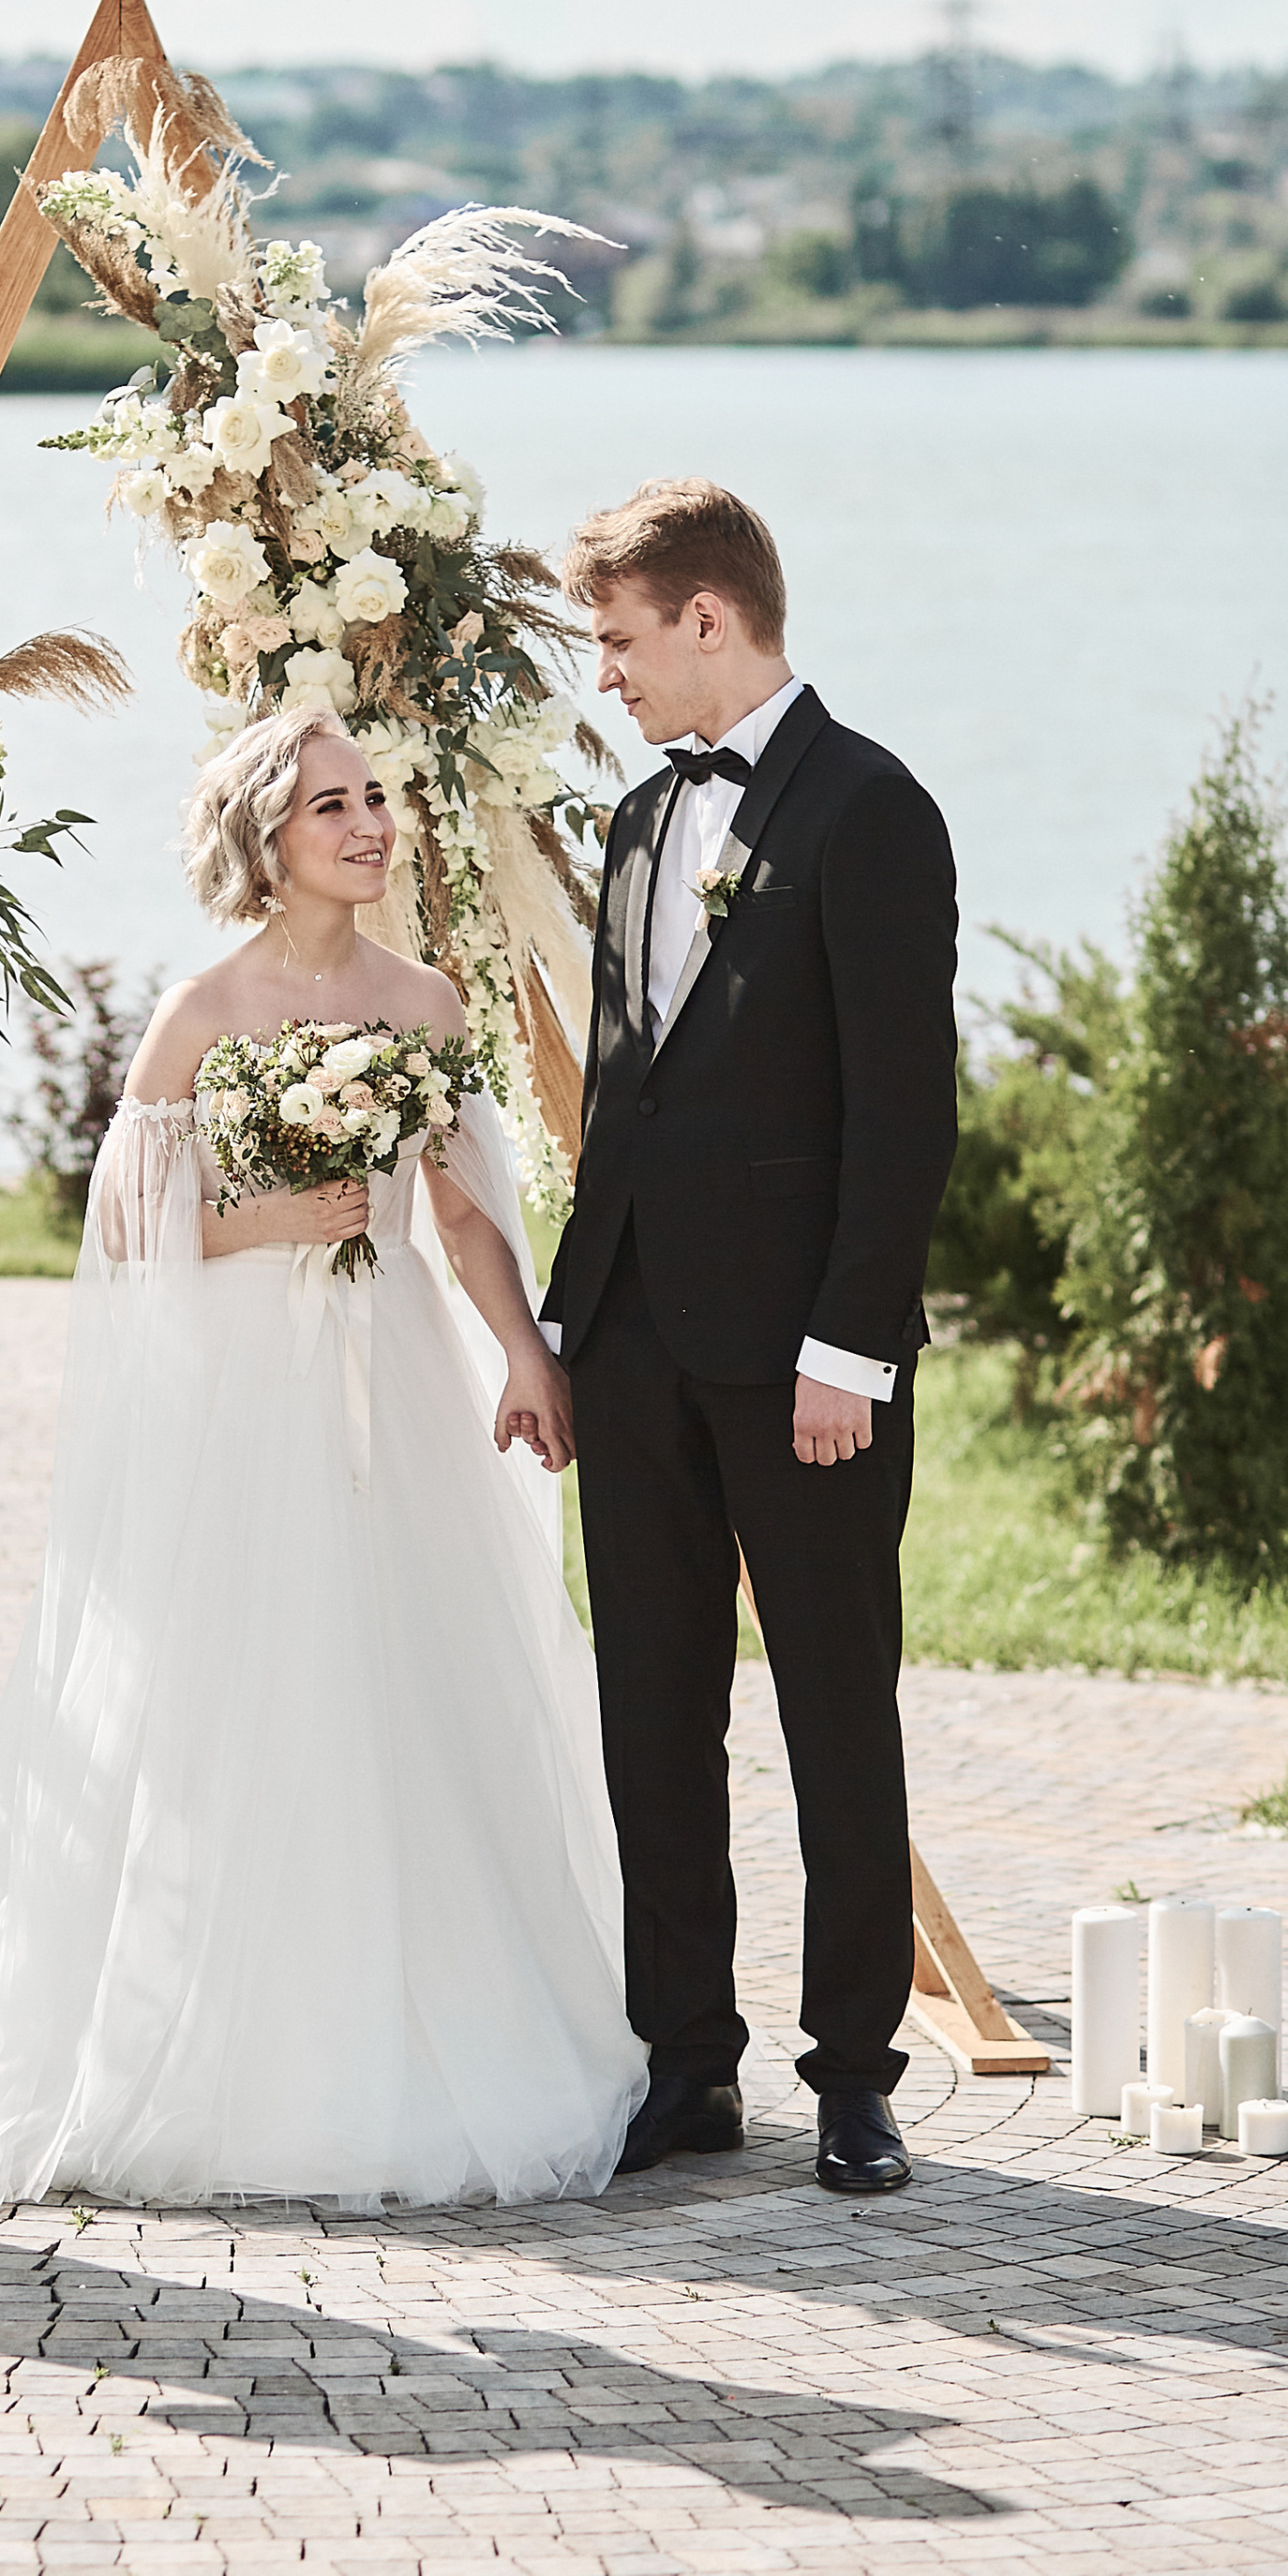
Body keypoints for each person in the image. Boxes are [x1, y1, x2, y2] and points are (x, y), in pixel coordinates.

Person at [0, 712, 647, 2223]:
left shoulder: (424, 1001)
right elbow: (125, 1232)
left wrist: (524, 1354)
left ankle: (421, 2012)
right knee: (242, 1678)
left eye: (377, 801)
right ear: (267, 838)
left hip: (390, 1374)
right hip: (245, 1392)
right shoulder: (202, 1012)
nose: (369, 826)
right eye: (333, 807)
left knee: (399, 1667)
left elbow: (469, 1210)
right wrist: (262, 1225)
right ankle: (209, 2027)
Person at [540, 479, 957, 2199]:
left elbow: (905, 1113)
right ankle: (683, 2067)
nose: (612, 676)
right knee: (652, 1712)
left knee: (839, 1709)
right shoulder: (639, 822)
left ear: (709, 619)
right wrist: (567, 1325)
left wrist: (848, 1350)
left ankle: (855, 2074)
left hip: (804, 1367)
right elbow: (628, 1095)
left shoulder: (873, 811)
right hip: (634, 1348)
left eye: (626, 642)